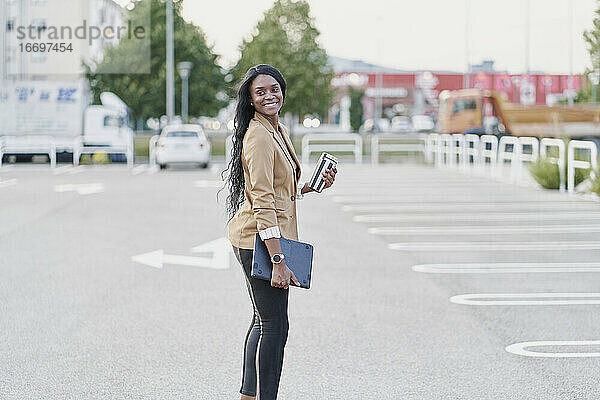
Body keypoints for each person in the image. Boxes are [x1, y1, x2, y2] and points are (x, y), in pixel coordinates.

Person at [224, 64, 337, 400]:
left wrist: (308, 188)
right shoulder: (258, 137)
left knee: (263, 321)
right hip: (258, 240)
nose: (269, 96)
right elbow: (262, 201)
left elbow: (277, 189)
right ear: (251, 98)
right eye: (261, 92)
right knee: (274, 325)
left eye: (274, 89)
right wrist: (278, 259)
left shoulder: (276, 129)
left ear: (282, 91)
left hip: (262, 236)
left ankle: (248, 396)